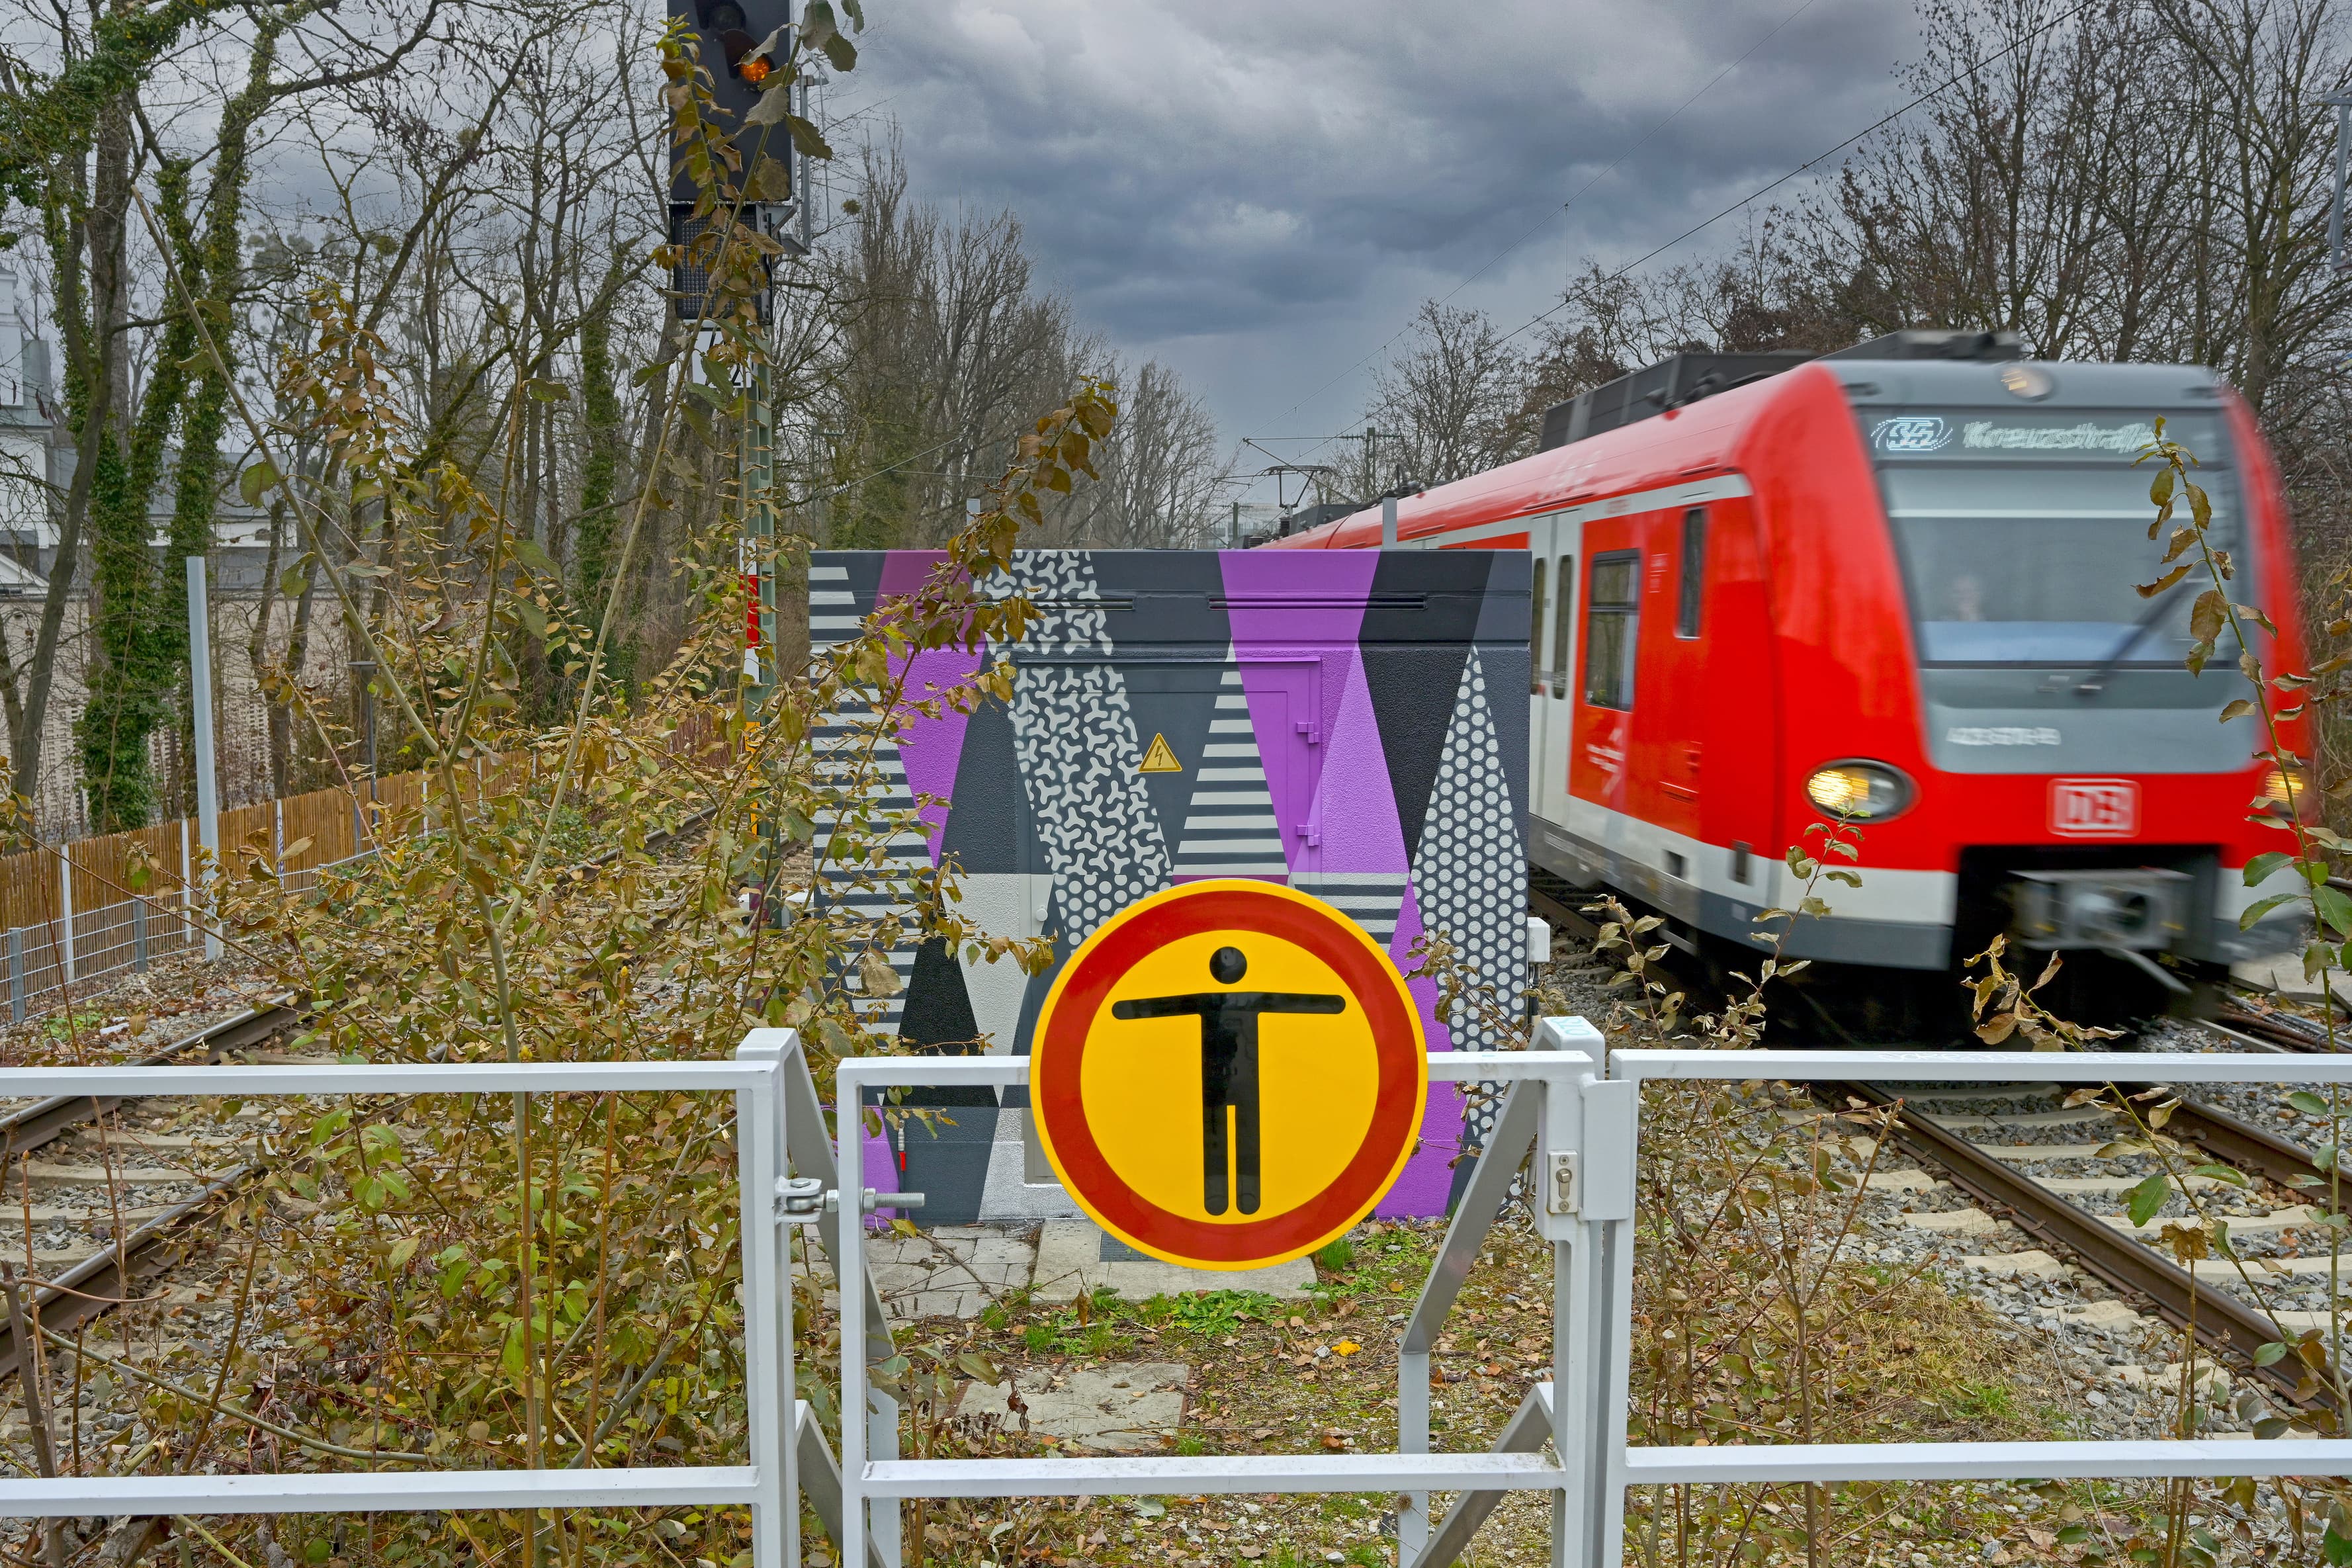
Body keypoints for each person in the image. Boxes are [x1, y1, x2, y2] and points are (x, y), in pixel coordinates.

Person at [1110, 947, 1345, 1215]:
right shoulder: (1243, 999)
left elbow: (1158, 1006)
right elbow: (1294, 1002)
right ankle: (1238, 1200)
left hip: (1226, 1082)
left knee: (1224, 1138)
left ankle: (1227, 1200)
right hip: (1233, 1081)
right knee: (1230, 1138)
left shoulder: (1216, 1000)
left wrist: (1334, 1004)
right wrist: (1335, 1004)